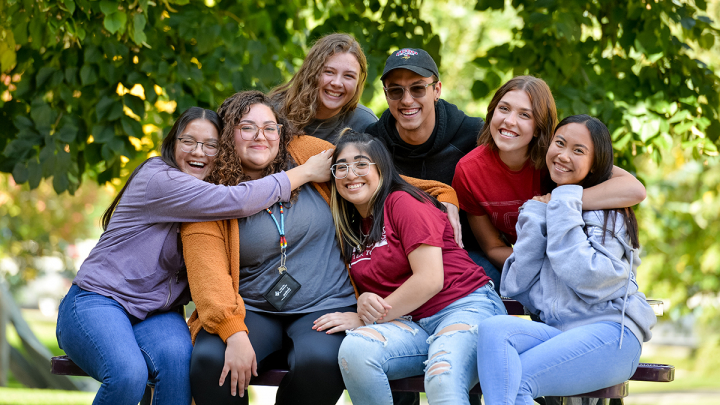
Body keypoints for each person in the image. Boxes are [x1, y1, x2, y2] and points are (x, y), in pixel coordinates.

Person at [181, 91, 457, 405]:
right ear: (229, 133)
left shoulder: (305, 153)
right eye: (247, 127)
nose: (261, 136)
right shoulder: (210, 189)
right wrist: (234, 333)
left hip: (325, 303)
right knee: (211, 360)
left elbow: (373, 175)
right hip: (251, 307)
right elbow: (208, 276)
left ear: (281, 133)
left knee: (321, 364)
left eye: (270, 128)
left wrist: (442, 193)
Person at [55, 106, 333, 405]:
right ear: (172, 142)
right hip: (99, 301)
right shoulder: (158, 178)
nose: (198, 152)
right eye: (188, 141)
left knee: (179, 369)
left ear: (222, 149)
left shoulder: (208, 193)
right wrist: (304, 172)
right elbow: (237, 200)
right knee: (128, 374)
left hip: (157, 315)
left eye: (210, 144)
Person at [313, 129, 507, 405]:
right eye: (340, 167)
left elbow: (429, 280)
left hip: (464, 307)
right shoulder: (353, 226)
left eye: (360, 164)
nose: (350, 173)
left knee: (442, 376)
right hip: (409, 323)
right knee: (355, 350)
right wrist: (365, 300)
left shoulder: (403, 202)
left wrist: (366, 318)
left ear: (382, 168)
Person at [476, 115, 657, 404]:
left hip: (611, 335)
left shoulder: (608, 214)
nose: (563, 155)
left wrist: (563, 201)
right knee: (493, 330)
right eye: (559, 144)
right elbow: (516, 286)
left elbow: (590, 279)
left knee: (515, 382)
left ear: (596, 163)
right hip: (558, 333)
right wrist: (535, 218)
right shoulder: (540, 209)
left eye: (578, 150)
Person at [452, 76, 647, 281]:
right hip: (528, 266)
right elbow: (493, 248)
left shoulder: (557, 158)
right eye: (504, 109)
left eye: (525, 115)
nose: (509, 121)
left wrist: (558, 199)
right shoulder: (469, 171)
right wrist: (542, 267)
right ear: (492, 112)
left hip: (583, 264)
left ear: (538, 127)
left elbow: (635, 190)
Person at [270, 33, 377, 144]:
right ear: (311, 72)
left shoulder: (365, 124)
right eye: (329, 72)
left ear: (358, 82)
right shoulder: (274, 111)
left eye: (348, 76)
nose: (337, 83)